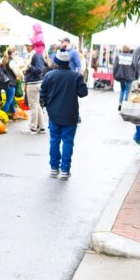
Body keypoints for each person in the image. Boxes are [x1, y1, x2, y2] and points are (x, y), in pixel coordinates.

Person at [40, 50, 88, 179]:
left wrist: (45, 105)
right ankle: (65, 170)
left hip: (53, 114)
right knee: (68, 141)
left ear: (56, 61)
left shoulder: (49, 75)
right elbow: (83, 93)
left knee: (54, 141)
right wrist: (83, 80)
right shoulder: (76, 76)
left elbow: (42, 93)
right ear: (68, 62)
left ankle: (54, 168)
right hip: (70, 114)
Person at [24, 41, 48, 134]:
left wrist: (29, 66)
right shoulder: (36, 55)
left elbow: (39, 70)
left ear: (34, 46)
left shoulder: (36, 55)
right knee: (36, 105)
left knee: (33, 106)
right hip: (35, 82)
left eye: (29, 45)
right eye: (26, 45)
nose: (27, 47)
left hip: (34, 83)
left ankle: (33, 128)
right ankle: (41, 128)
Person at [113, 45, 136, 111]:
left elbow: (115, 66)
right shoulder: (132, 56)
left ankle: (120, 104)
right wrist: (136, 76)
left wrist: (114, 75)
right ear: (129, 50)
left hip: (121, 76)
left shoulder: (118, 56)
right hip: (130, 76)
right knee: (127, 91)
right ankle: (125, 106)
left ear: (122, 49)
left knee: (122, 90)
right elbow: (135, 66)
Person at [1, 46, 22, 118]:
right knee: (9, 100)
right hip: (11, 83)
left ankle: (14, 114)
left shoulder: (4, 60)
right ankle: (1, 117)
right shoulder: (11, 62)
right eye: (15, 53)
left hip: (6, 83)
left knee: (11, 99)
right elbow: (17, 73)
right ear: (13, 52)